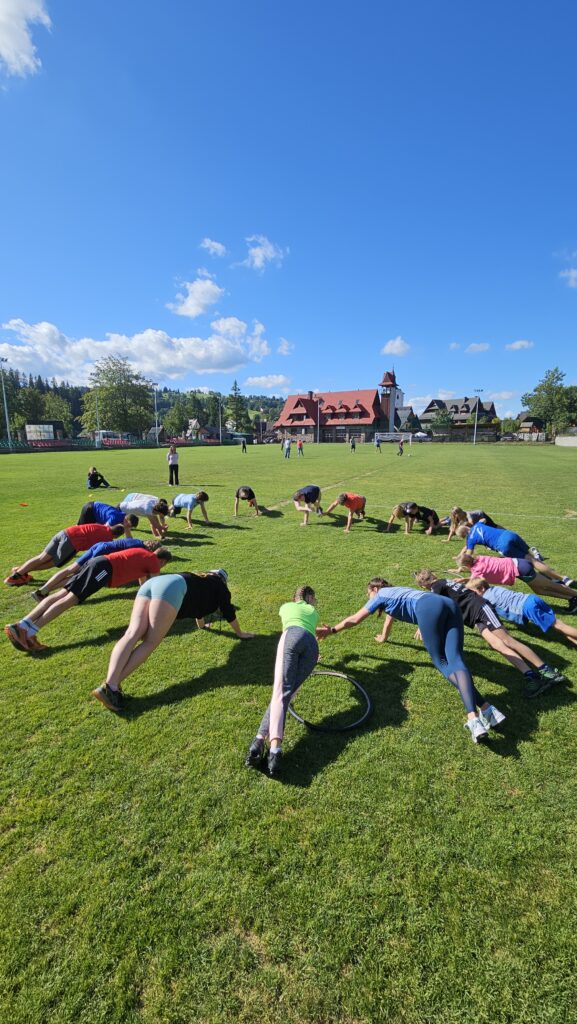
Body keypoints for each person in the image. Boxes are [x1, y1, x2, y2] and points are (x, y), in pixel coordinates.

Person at [316, 577, 503, 743]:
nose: (368, 597)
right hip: (448, 604)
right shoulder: (395, 593)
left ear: (374, 589)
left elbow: (356, 619)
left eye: (368, 593)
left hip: (429, 608)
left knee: (442, 662)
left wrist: (332, 630)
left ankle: (473, 718)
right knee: (456, 660)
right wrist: (384, 636)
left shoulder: (380, 595)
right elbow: (389, 619)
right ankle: (488, 710)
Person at [92, 569, 255, 712]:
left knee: (131, 633)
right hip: (171, 589)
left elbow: (199, 607)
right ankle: (111, 686)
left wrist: (202, 625)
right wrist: (240, 633)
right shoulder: (220, 585)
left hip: (153, 583)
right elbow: (228, 611)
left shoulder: (202, 579)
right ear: (223, 579)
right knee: (150, 642)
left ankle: (111, 684)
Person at [413, 570, 566, 699]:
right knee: (497, 645)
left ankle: (547, 670)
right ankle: (531, 676)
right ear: (433, 575)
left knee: (508, 640)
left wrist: (422, 626)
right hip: (475, 616)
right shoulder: (445, 582)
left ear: (422, 585)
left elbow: (434, 606)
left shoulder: (436, 587)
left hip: (481, 609)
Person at [5, 547, 172, 654]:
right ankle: (28, 633)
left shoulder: (143, 555)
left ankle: (23, 624)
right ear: (163, 561)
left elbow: (144, 584)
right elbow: (154, 586)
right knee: (70, 599)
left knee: (62, 594)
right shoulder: (153, 562)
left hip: (97, 562)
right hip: (104, 570)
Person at [245, 585, 319, 776]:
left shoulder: (285, 607)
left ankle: (273, 750)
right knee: (286, 695)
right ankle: (259, 741)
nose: (315, 602)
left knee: (281, 693)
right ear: (309, 597)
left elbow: (295, 624)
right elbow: (307, 627)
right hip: (312, 647)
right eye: (314, 598)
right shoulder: (313, 611)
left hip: (292, 637)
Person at [30, 537, 161, 600]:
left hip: (99, 545)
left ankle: (44, 590)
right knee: (77, 577)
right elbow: (141, 573)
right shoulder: (143, 552)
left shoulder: (137, 541)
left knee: (70, 569)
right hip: (103, 554)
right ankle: (50, 593)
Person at [466, 578, 577, 650]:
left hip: (528, 607)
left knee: (558, 625)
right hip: (531, 598)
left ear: (481, 589)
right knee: (557, 624)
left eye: (473, 593)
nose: (472, 596)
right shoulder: (494, 588)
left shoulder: (486, 598)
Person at [4, 522, 126, 586]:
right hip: (72, 543)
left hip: (64, 532)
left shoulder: (102, 526)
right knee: (53, 563)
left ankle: (19, 572)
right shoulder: (108, 539)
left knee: (42, 557)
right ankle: (18, 575)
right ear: (116, 536)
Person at [457, 522, 575, 588]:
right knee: (532, 558)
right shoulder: (477, 525)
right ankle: (558, 577)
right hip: (509, 534)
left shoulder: (470, 539)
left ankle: (560, 579)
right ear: (467, 527)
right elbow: (483, 519)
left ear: (464, 536)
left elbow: (468, 556)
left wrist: (460, 566)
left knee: (532, 561)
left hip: (502, 545)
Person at [455, 551, 577, 611]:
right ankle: (571, 598)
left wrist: (462, 583)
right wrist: (465, 579)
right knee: (539, 590)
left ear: (465, 566)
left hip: (522, 570)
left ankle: (574, 595)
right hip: (519, 563)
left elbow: (474, 583)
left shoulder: (477, 571)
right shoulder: (480, 558)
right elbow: (478, 577)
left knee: (550, 585)